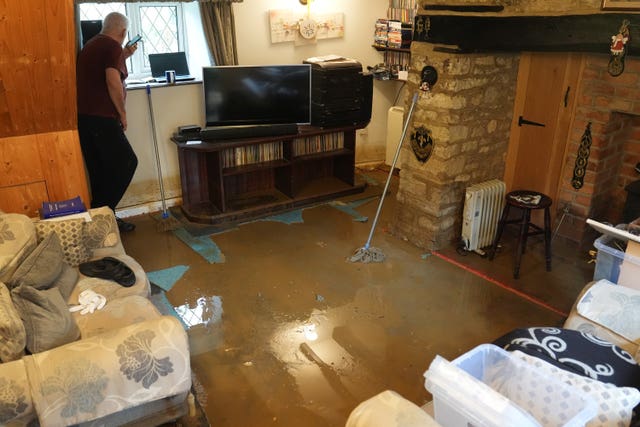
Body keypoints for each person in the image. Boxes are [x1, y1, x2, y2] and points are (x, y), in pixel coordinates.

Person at [77, 12, 139, 232]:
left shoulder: (92, 44)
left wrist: (124, 55)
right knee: (127, 163)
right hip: (103, 119)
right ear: (123, 32)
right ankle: (101, 214)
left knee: (101, 171)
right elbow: (112, 81)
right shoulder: (112, 47)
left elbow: (103, 68)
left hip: (84, 120)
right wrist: (122, 113)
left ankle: (105, 219)